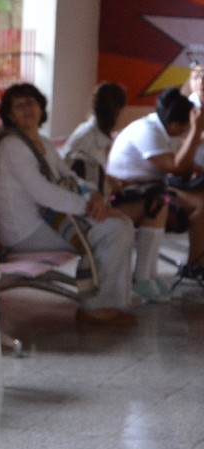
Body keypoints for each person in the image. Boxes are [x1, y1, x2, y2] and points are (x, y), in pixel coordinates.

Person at [0, 83, 136, 325]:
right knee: (112, 229)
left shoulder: (41, 141)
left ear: (41, 108)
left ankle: (112, 302)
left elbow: (70, 177)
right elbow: (45, 194)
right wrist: (90, 207)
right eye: (19, 106)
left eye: (31, 103)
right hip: (24, 232)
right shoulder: (12, 146)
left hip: (48, 221)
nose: (27, 110)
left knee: (122, 223)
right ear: (9, 115)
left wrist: (94, 195)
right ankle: (95, 307)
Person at [62, 82, 171, 303]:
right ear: (118, 109)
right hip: (89, 209)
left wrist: (112, 181)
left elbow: (92, 173)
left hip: (98, 199)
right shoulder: (87, 139)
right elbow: (77, 180)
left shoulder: (96, 135)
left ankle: (148, 275)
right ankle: (142, 277)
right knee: (155, 204)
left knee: (159, 201)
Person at [108, 86, 204, 274]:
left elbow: (182, 168)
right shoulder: (147, 130)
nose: (186, 132)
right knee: (200, 206)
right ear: (175, 125)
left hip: (151, 186)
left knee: (201, 198)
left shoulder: (162, 129)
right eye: (186, 128)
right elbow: (176, 167)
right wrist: (196, 130)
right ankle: (194, 267)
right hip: (126, 193)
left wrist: (193, 168)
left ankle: (196, 264)